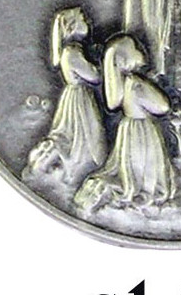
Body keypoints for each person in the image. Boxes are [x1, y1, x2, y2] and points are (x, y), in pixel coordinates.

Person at [74, 36, 174, 212]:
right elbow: (162, 106)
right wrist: (152, 86)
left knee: (131, 162)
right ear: (124, 59)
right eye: (135, 48)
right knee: (143, 161)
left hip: (128, 128)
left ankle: (133, 187)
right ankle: (145, 191)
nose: (140, 50)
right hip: (143, 130)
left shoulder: (124, 83)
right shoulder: (135, 83)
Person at [26, 7, 106, 185]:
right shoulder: (72, 53)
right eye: (82, 19)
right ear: (71, 27)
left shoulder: (73, 51)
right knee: (83, 133)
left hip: (78, 95)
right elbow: (94, 76)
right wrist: (102, 64)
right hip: (79, 99)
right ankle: (81, 164)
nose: (87, 22)